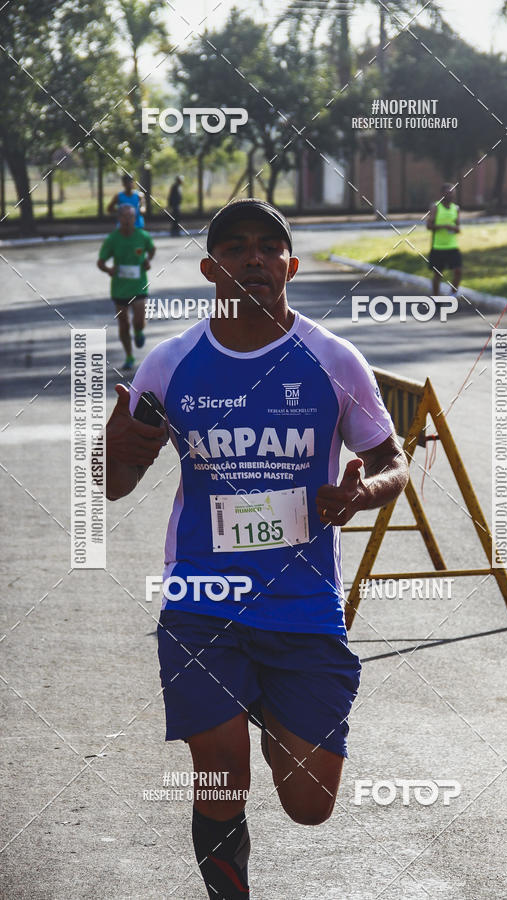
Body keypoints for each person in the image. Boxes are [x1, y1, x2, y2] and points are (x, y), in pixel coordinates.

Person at [104, 198, 409, 899]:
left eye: (270, 248)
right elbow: (115, 484)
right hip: (201, 596)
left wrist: (361, 494)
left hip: (302, 601)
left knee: (310, 805)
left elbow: (392, 459)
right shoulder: (171, 362)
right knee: (218, 773)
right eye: (236, 247)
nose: (254, 259)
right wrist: (107, 452)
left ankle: (270, 708)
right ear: (211, 268)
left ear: (291, 267)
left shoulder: (334, 360)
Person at [97, 205, 155, 370]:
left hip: (139, 286)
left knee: (138, 320)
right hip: (120, 289)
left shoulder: (142, 236)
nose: (129, 220)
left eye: (131, 217)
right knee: (123, 323)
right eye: (125, 217)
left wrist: (147, 260)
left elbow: (151, 249)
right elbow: (100, 262)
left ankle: (139, 331)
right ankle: (129, 355)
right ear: (119, 218)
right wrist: (109, 269)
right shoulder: (112, 239)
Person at [426, 182, 462, 296]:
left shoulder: (456, 208)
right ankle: (436, 298)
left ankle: (452, 295)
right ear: (442, 194)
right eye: (448, 193)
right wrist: (444, 226)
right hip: (438, 246)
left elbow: (457, 227)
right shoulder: (436, 207)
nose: (451, 196)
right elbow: (429, 226)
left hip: (452, 246)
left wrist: (455, 229)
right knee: (438, 274)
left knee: (458, 271)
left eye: (453, 193)